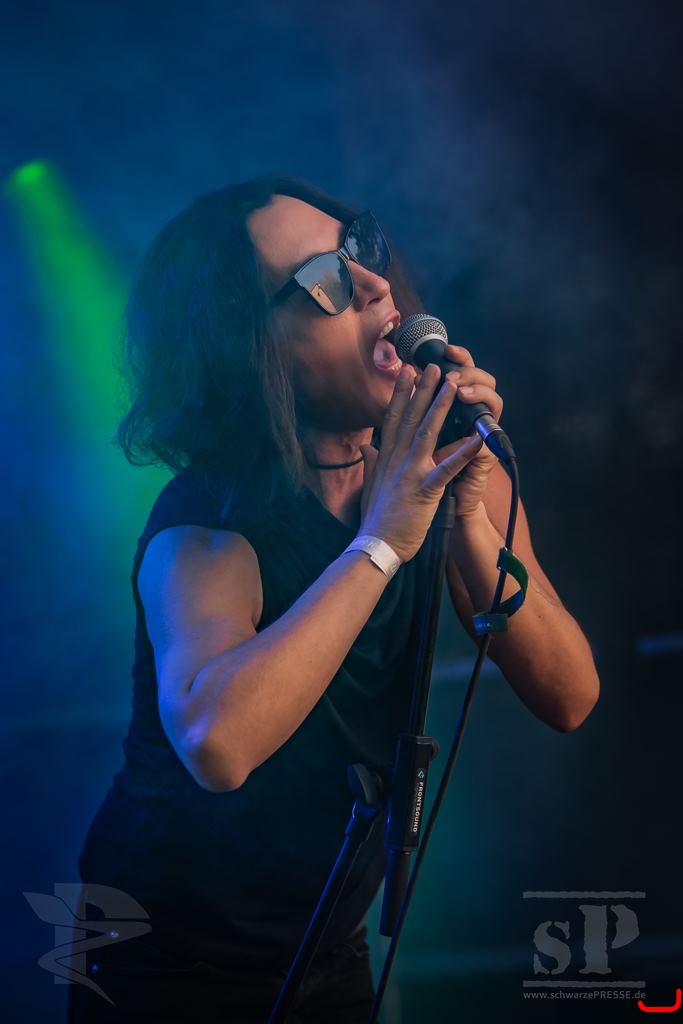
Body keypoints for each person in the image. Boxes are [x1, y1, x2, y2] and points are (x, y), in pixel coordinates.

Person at [69, 174, 600, 1023]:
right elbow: (216, 745)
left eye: (359, 249)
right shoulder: (207, 526)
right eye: (322, 281)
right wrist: (383, 539)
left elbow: (569, 696)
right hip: (164, 952)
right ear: (250, 351)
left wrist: (464, 521)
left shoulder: (442, 477)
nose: (374, 284)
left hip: (324, 938)